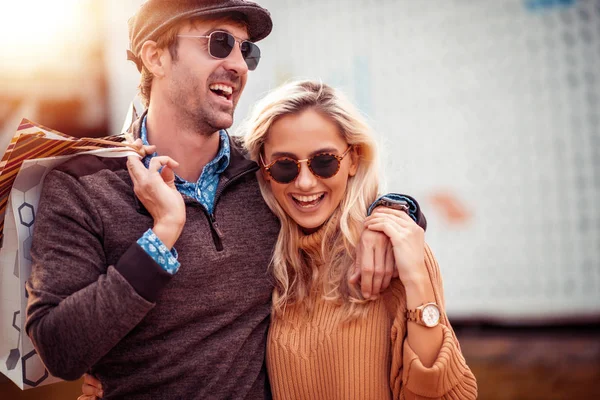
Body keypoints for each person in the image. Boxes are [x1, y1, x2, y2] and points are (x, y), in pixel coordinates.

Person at [25, 1, 397, 399]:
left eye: (246, 50)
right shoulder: (82, 185)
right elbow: (59, 350)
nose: (239, 65)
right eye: (219, 43)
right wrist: (161, 236)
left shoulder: (266, 171)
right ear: (155, 57)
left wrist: (392, 213)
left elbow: (335, 187)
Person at [80, 80, 478, 399]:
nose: (305, 182)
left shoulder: (393, 248)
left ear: (353, 158)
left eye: (325, 161)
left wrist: (421, 290)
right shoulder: (273, 256)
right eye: (285, 166)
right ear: (265, 171)